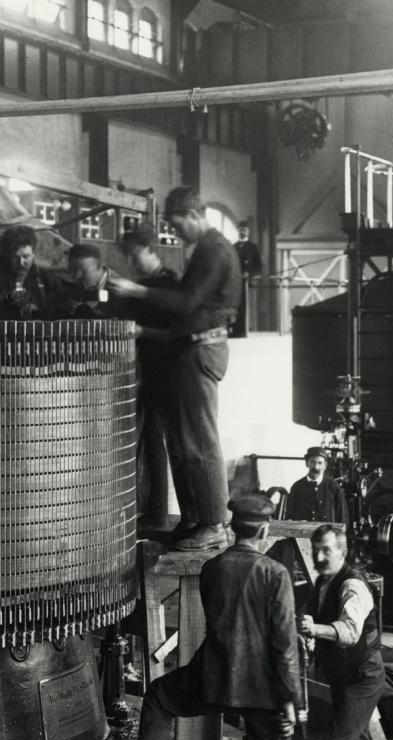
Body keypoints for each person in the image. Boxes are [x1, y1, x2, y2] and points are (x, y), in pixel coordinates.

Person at [108, 494, 300, 740]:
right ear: (265, 531)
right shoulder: (276, 573)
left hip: (214, 678)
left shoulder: (214, 568)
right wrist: (291, 699)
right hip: (263, 690)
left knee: (159, 697)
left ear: (233, 529)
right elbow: (284, 645)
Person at [108, 185, 240, 552]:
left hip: (204, 349)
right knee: (183, 442)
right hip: (192, 350)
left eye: (179, 226)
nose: (177, 234)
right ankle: (195, 518)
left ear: (194, 215)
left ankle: (215, 524)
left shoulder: (214, 250)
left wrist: (138, 292)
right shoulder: (205, 249)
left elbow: (186, 303)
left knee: (201, 440)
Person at [299, 523, 384, 740]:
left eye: (326, 551)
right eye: (315, 550)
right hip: (342, 676)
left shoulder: (352, 585)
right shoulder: (323, 581)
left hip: (362, 677)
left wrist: (315, 629)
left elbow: (349, 632)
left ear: (342, 552)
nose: (319, 557)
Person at [116, 221, 178, 533]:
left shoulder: (168, 286)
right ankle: (152, 511)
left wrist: (143, 332)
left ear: (151, 250)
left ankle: (159, 515)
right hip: (147, 373)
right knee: (148, 441)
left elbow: (177, 334)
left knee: (157, 442)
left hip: (166, 374)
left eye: (134, 254)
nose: (131, 262)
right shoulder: (142, 287)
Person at [0, 224, 54, 320]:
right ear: (7, 256)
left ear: (34, 253)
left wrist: (38, 310)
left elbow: (55, 310)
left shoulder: (46, 279)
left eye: (26, 256)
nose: (21, 262)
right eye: (15, 257)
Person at [288, 446, 347, 524]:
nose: (316, 467)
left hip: (327, 535)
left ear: (325, 466)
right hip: (302, 535)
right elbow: (289, 517)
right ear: (307, 463)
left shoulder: (333, 487)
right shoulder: (297, 487)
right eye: (313, 462)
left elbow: (342, 518)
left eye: (320, 463)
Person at [54, 243, 112, 319]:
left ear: (99, 267)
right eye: (73, 269)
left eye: (83, 269)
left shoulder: (123, 292)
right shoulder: (64, 285)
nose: (77, 276)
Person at [231, 224, 263, 338]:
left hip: (246, 283)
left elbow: (258, 265)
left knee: (244, 306)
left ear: (248, 232)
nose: (242, 232)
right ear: (238, 231)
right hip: (234, 282)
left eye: (244, 230)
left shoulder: (252, 247)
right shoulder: (233, 246)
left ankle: (243, 331)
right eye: (240, 230)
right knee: (235, 305)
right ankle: (234, 330)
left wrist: (249, 274)